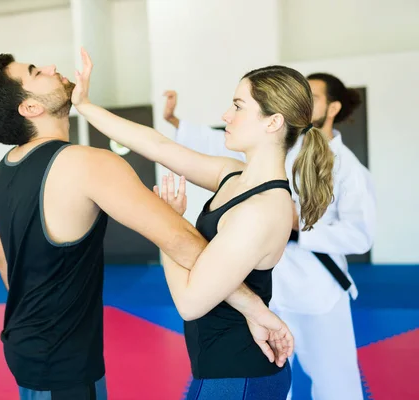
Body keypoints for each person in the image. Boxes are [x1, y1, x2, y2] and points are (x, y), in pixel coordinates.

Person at [0, 52, 294, 400]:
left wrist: (87, 105)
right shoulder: (85, 162)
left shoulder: (3, 170)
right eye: (36, 73)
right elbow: (178, 239)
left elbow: (6, 263)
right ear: (30, 108)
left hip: (22, 347)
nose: (50, 67)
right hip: (65, 363)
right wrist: (255, 307)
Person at [72, 49, 334, 399]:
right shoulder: (233, 174)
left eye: (239, 106)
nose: (226, 115)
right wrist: (85, 106)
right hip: (223, 369)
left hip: (237, 376)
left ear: (273, 122)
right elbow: (157, 145)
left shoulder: (263, 208)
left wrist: (167, 223)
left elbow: (191, 301)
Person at [163, 73, 377, 400]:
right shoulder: (278, 147)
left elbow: (360, 236)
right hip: (271, 290)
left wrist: (297, 227)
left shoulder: (349, 169)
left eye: (314, 96)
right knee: (273, 375)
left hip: (320, 292)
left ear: (332, 107)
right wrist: (175, 121)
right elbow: (214, 142)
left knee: (336, 384)